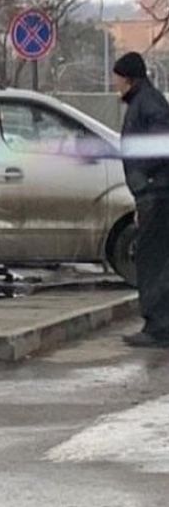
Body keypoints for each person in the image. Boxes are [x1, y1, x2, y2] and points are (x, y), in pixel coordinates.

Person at [113, 52, 169, 348]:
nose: (115, 83)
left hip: (157, 193)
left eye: (118, 77)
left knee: (152, 261)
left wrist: (143, 177)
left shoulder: (148, 103)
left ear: (129, 77)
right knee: (154, 259)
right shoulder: (143, 102)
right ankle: (159, 324)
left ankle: (158, 327)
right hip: (152, 193)